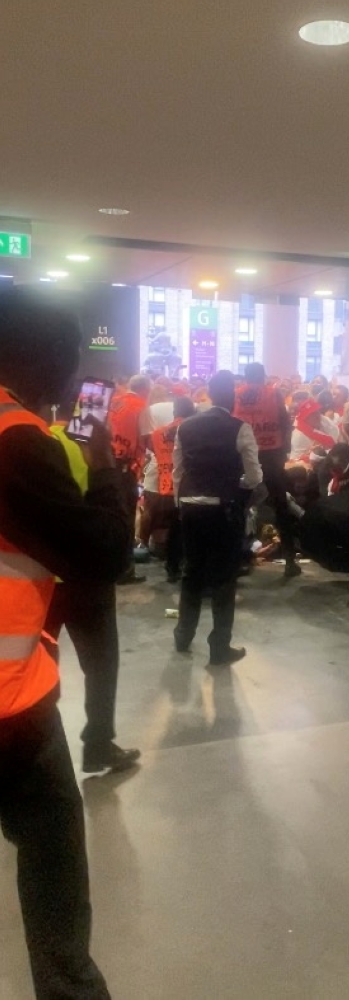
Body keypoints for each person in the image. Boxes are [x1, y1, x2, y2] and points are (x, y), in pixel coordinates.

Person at [0, 286, 130, 999]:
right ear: (35, 355)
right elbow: (103, 554)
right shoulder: (15, 437)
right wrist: (104, 466)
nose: (75, 375)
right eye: (68, 355)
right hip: (10, 709)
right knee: (53, 863)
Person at [48, 395, 141, 774]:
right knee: (101, 667)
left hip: (41, 577)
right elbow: (110, 512)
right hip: (88, 575)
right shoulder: (93, 445)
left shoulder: (33, 442)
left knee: (38, 668)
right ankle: (98, 746)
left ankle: (38, 749)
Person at [173, 370, 263, 665]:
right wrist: (236, 484)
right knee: (224, 578)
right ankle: (219, 647)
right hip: (223, 509)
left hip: (190, 506)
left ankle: (183, 635)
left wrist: (180, 502)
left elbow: (178, 471)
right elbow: (254, 476)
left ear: (210, 394)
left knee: (192, 572)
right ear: (233, 397)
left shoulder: (185, 426)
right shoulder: (240, 428)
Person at [234, 363, 300, 579]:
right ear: (262, 376)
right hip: (272, 454)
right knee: (281, 506)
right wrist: (285, 451)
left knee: (240, 507)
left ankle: (239, 559)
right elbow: (285, 423)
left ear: (246, 377)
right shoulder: (273, 394)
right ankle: (290, 560)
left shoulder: (237, 395)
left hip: (245, 455)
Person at [108, 373, 152, 584]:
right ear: (145, 390)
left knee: (110, 515)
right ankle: (125, 570)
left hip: (106, 464)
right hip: (127, 468)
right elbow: (147, 439)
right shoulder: (141, 405)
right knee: (126, 519)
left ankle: (108, 564)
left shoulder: (114, 400)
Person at [149, 395, 195, 581]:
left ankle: (171, 567)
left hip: (164, 487)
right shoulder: (192, 431)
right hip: (185, 486)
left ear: (175, 412)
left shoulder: (157, 433)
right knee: (186, 530)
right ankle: (183, 566)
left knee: (173, 529)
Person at [290, 398, 337, 462]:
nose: (317, 415)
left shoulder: (322, 421)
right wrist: (310, 453)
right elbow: (295, 461)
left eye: (317, 411)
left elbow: (335, 433)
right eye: (312, 414)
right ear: (305, 419)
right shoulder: (299, 436)